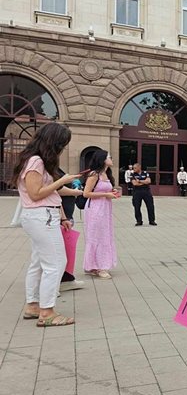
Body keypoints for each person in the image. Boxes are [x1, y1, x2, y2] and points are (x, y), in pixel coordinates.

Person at [12, 123, 81, 327]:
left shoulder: (35, 160)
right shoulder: (36, 162)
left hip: (42, 216)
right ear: (53, 142)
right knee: (56, 263)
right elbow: (36, 194)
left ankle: (33, 305)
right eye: (62, 143)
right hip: (41, 217)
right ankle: (47, 311)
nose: (63, 148)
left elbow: (50, 192)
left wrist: (77, 192)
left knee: (38, 262)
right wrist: (62, 181)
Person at [82, 150, 119, 279]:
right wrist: (105, 194)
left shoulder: (107, 174)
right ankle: (99, 266)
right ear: (103, 159)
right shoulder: (94, 174)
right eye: (109, 157)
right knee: (96, 236)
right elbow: (86, 193)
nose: (111, 159)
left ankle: (99, 265)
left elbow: (104, 189)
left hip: (105, 208)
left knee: (105, 235)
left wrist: (111, 191)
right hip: (95, 208)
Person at [57, 168, 86, 292]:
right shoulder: (43, 166)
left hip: (64, 216)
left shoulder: (54, 167)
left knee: (65, 252)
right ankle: (52, 287)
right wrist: (75, 192)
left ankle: (66, 278)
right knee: (56, 254)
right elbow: (56, 190)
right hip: (52, 217)